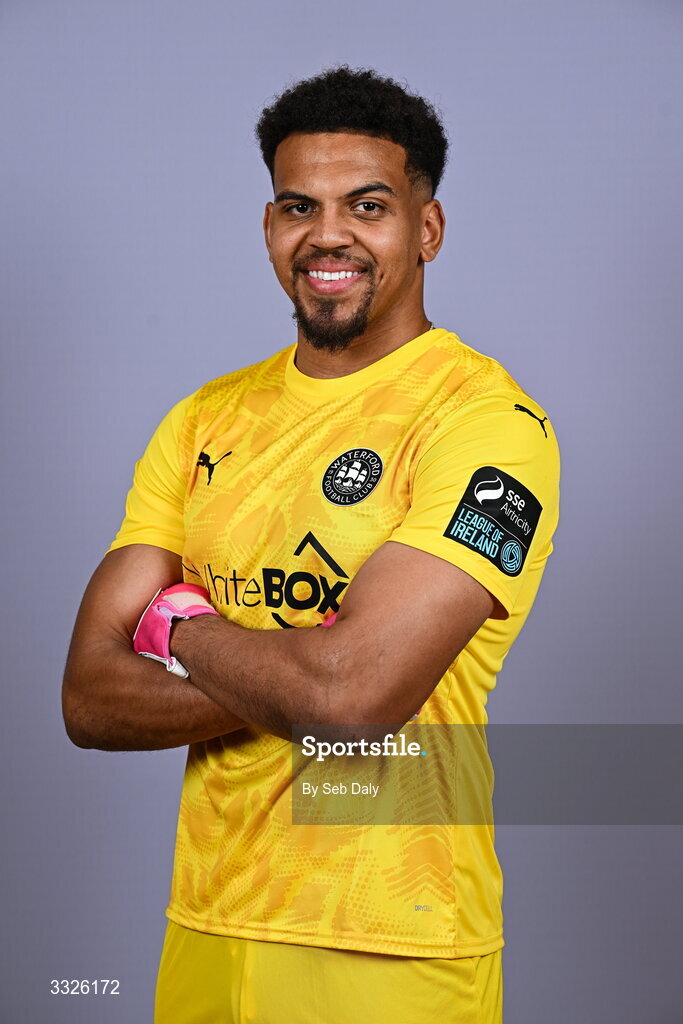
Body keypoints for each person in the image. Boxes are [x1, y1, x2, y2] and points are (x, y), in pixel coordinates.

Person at [62, 65, 560, 1024]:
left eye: (366, 205)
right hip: (206, 920)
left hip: (389, 937)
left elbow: (351, 700)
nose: (327, 234)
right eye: (300, 206)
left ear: (427, 229)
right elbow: (87, 698)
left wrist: (175, 627)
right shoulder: (204, 418)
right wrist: (299, 669)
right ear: (269, 227)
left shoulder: (489, 425)